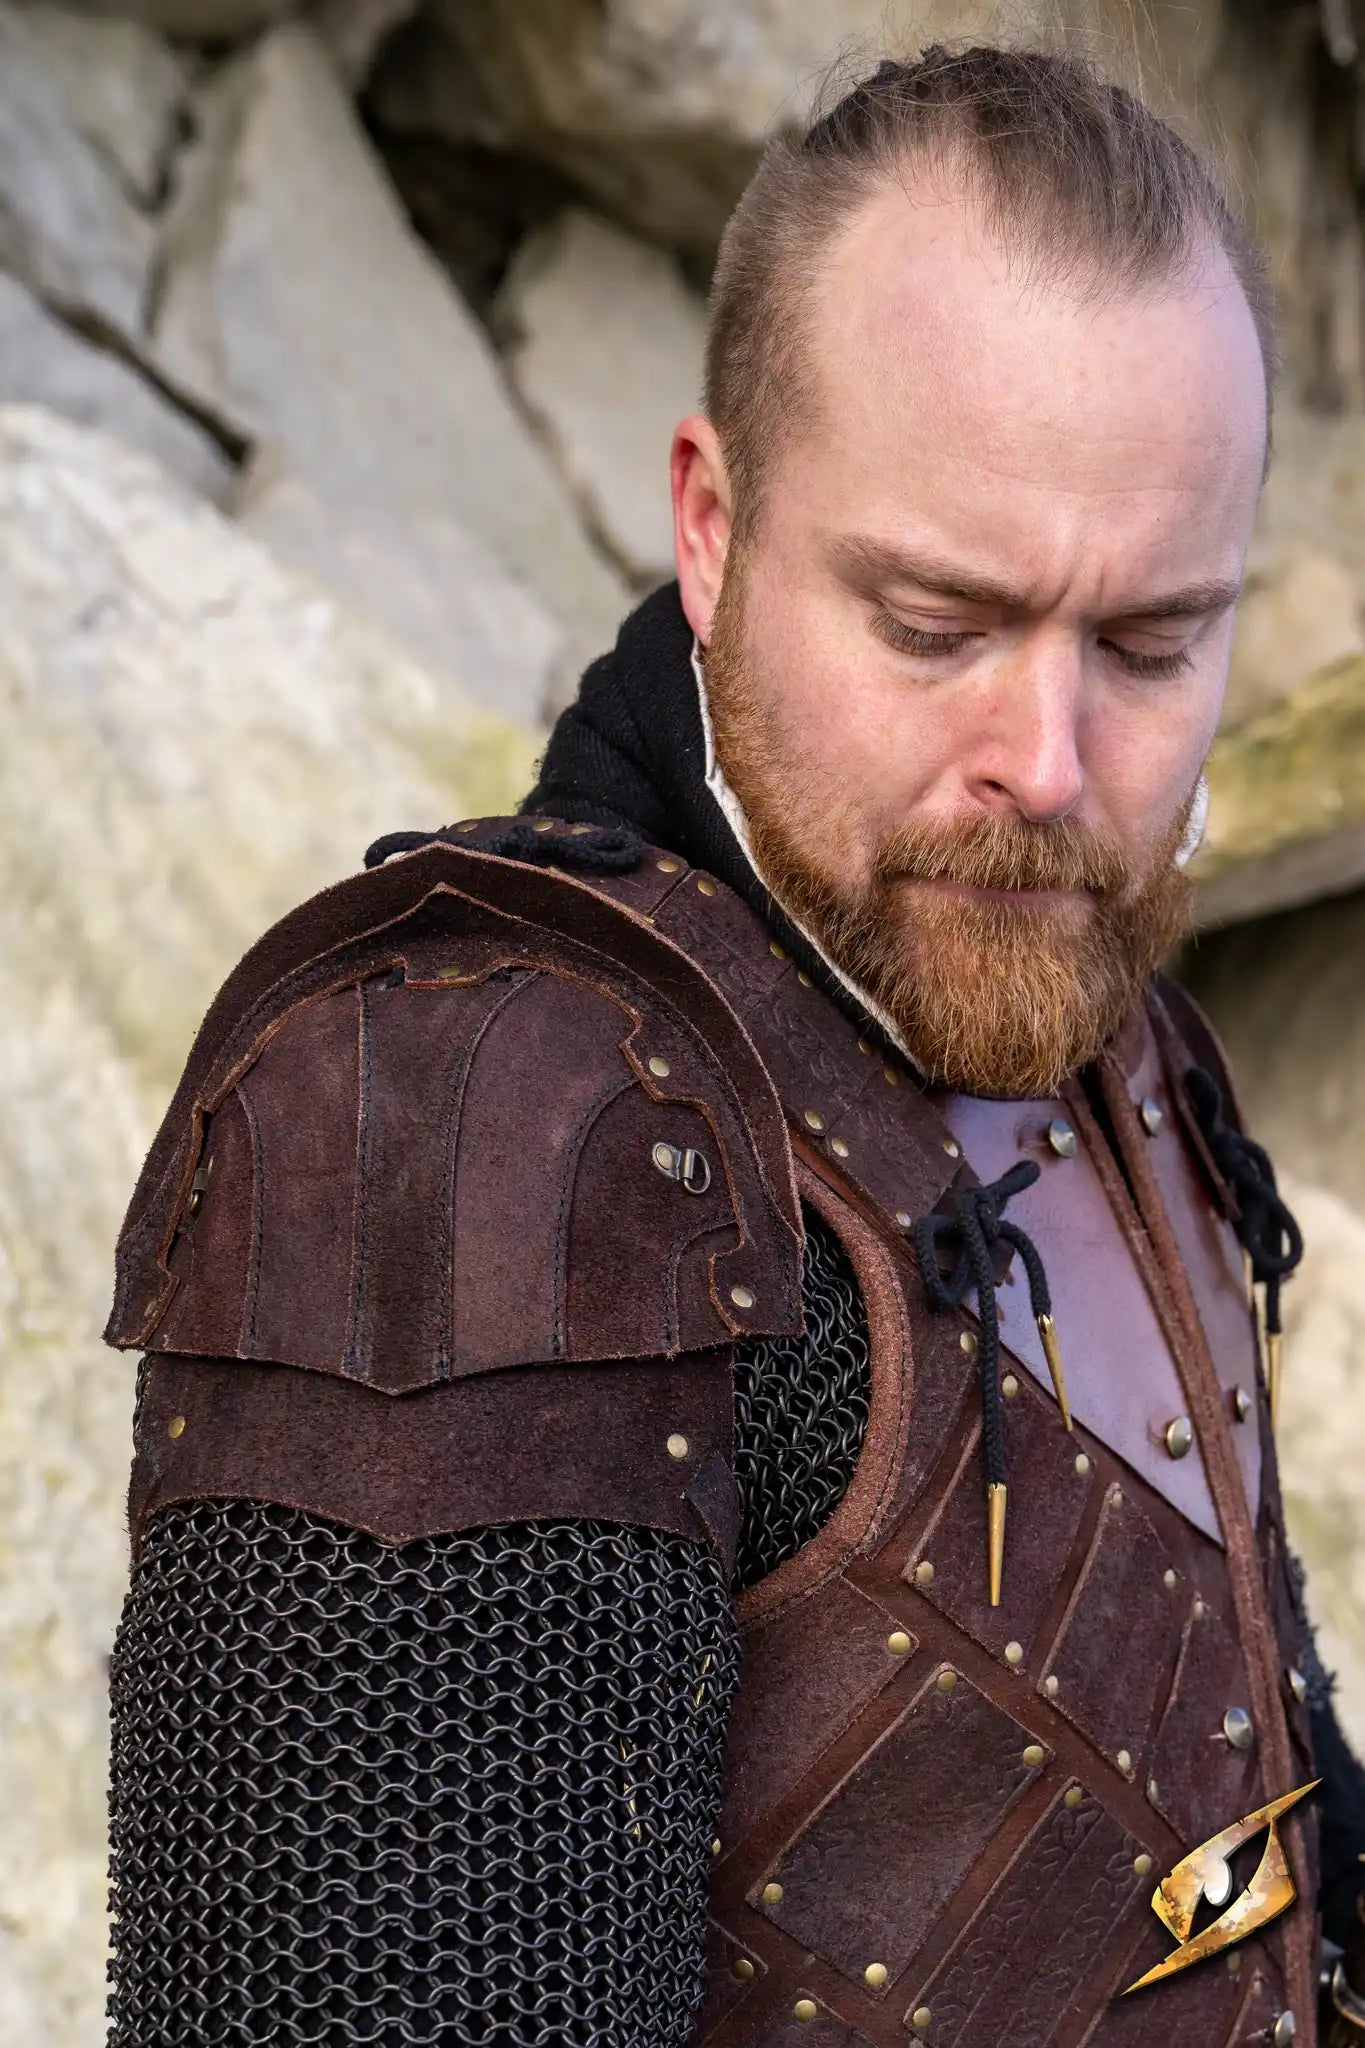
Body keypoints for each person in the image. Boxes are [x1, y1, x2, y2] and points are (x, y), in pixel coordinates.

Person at [102, 42, 1365, 2048]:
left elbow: (1246, 1809)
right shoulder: (469, 1133)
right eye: (934, 622)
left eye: (1149, 643)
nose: (1044, 768)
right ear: (710, 527)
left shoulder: (1113, 1039)